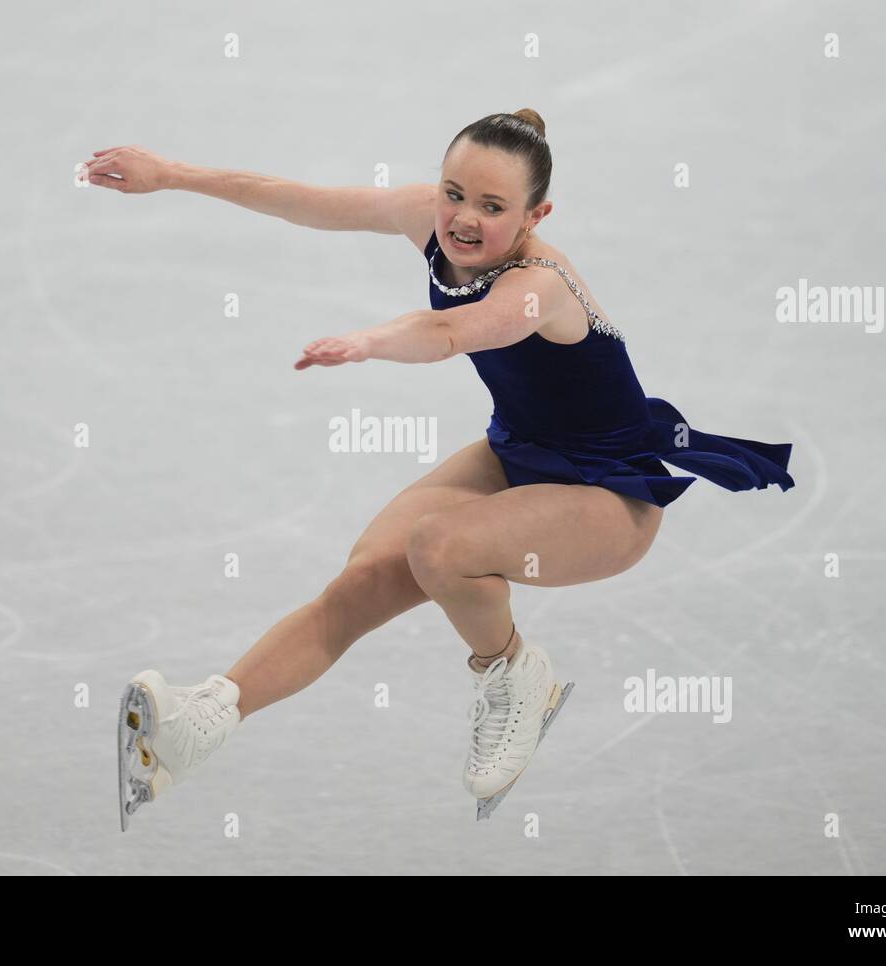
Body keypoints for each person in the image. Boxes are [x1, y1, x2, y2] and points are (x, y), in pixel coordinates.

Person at [90, 109, 796, 823]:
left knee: (440, 548)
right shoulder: (427, 218)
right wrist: (173, 175)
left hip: (610, 496)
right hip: (517, 455)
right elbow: (299, 198)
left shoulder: (540, 286)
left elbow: (450, 330)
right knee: (362, 580)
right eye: (454, 193)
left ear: (534, 214)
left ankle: (517, 673)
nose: (463, 218)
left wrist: (367, 341)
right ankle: (197, 728)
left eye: (492, 207)